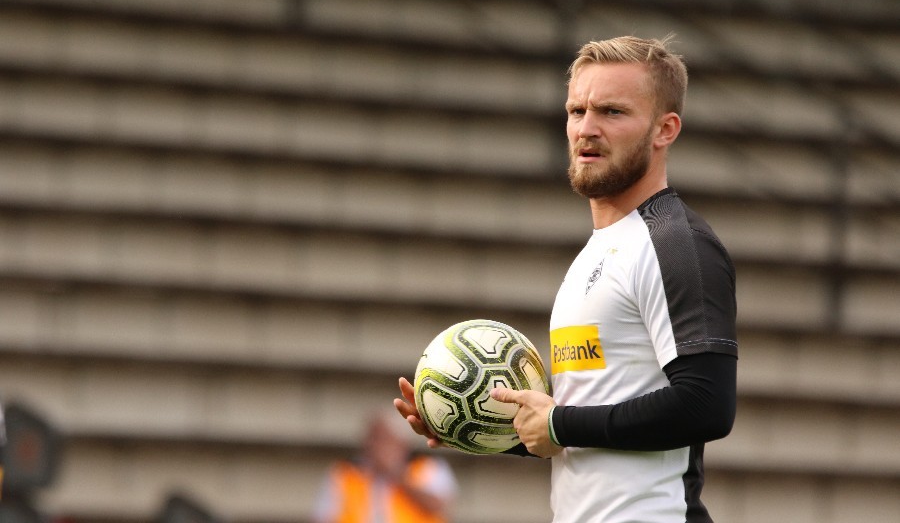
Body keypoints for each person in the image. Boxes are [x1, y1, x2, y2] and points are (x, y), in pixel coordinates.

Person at [394, 35, 738, 523]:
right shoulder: (598, 251)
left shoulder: (678, 245)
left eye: (612, 112)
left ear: (665, 129)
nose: (586, 129)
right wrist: (474, 422)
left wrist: (557, 422)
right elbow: (584, 432)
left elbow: (707, 405)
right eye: (577, 111)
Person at [312, 408, 458, 523]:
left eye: (384, 439)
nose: (375, 446)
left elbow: (438, 506)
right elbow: (323, 517)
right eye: (372, 438)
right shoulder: (344, 473)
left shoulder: (428, 467)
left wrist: (397, 474)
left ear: (402, 443)